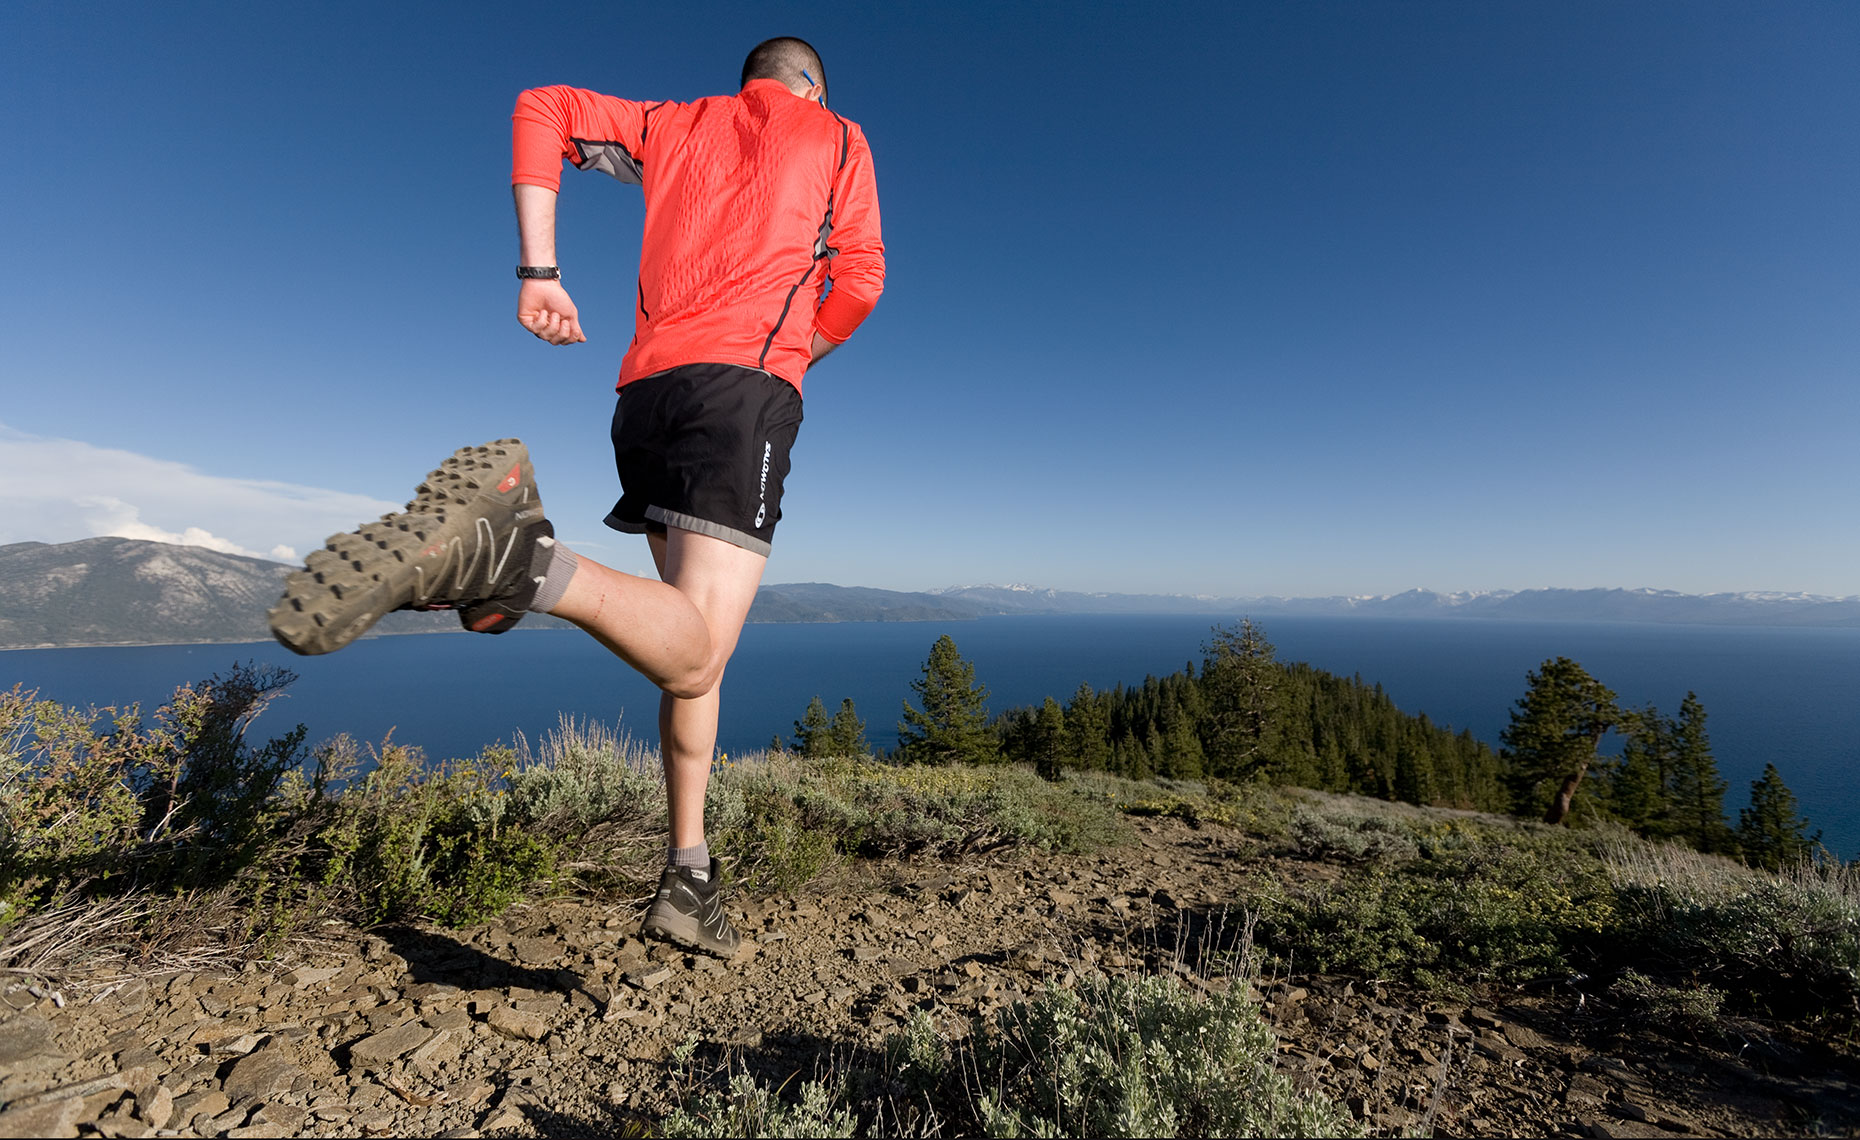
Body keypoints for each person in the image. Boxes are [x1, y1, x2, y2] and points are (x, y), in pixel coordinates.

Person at [267, 37, 884, 959]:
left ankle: (689, 871)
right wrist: (795, 357)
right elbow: (862, 277)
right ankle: (522, 561)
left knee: (685, 642)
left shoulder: (670, 125)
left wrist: (540, 272)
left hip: (645, 396)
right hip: (743, 388)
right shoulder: (838, 137)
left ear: (746, 78)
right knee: (700, 651)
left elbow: (541, 108)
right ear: (812, 85)